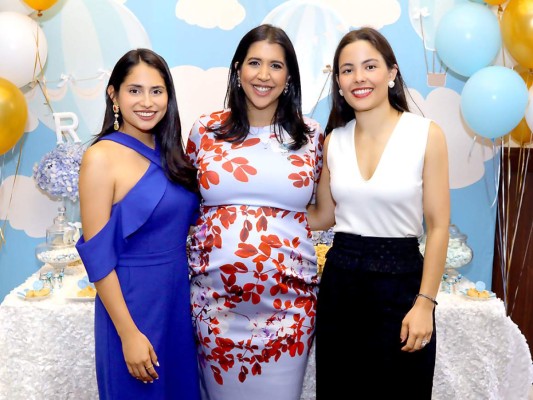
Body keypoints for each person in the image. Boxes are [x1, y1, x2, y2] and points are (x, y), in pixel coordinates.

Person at [307, 27, 450, 399]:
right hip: (342, 287)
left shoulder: (426, 134)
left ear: (392, 72)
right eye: (347, 69)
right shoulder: (332, 141)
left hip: (403, 287)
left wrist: (425, 304)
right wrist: (258, 211)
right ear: (338, 81)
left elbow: (437, 227)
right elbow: (322, 216)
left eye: (369, 66)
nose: (359, 78)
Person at [186, 24, 324, 400]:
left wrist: (271, 228)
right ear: (237, 69)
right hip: (215, 307)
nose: (264, 75)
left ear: (289, 76)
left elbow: (323, 214)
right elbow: (186, 206)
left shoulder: (311, 135)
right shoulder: (205, 130)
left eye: (276, 66)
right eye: (254, 63)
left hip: (289, 307)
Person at [75, 48, 201, 399]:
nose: (147, 102)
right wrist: (128, 333)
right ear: (113, 95)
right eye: (135, 90)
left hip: (176, 301)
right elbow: (98, 258)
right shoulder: (100, 157)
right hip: (130, 305)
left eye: (157, 91)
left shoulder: (171, 153)